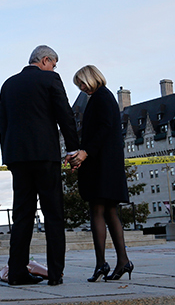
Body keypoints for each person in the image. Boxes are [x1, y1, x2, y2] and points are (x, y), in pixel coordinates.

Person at [0, 45, 80, 286]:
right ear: (45, 60)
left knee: (22, 214)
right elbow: (64, 114)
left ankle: (16, 273)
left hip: (17, 157)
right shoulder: (50, 79)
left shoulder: (8, 84)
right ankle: (55, 274)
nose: (54, 68)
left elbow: (3, 122)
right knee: (53, 214)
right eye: (53, 64)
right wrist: (73, 149)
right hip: (45, 155)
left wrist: (8, 155)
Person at [67, 65, 133, 282]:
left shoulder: (101, 98)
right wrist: (80, 154)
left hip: (102, 164)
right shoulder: (102, 97)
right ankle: (121, 261)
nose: (82, 88)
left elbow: (103, 129)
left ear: (91, 78)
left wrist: (85, 153)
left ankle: (102, 263)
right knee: (109, 211)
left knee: (98, 210)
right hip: (106, 162)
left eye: (82, 83)